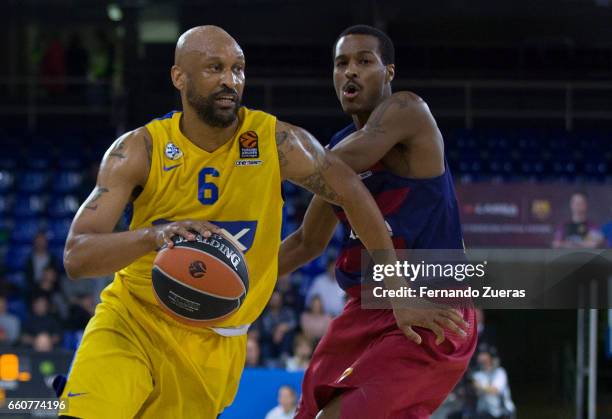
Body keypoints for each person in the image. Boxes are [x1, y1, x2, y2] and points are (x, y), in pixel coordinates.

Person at [56, 26, 459, 419]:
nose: (230, 80)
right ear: (179, 76)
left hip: (216, 345)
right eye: (215, 68)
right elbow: (76, 256)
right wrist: (154, 235)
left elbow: (352, 193)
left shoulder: (276, 142)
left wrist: (393, 284)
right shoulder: (139, 149)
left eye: (238, 69)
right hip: (134, 319)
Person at [279, 25, 477, 418]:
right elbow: (306, 242)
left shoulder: (408, 110)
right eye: (341, 64)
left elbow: (352, 155)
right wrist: (242, 276)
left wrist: (256, 155)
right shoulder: (334, 150)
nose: (350, 71)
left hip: (429, 302)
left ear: (389, 72)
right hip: (365, 308)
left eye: (364, 61)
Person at [472, 346, 515, 419]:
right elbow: (474, 391)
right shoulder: (477, 375)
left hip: (503, 412)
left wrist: (479, 386)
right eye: (480, 355)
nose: (481, 357)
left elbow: (495, 390)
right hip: (485, 412)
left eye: (485, 354)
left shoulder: (500, 372)